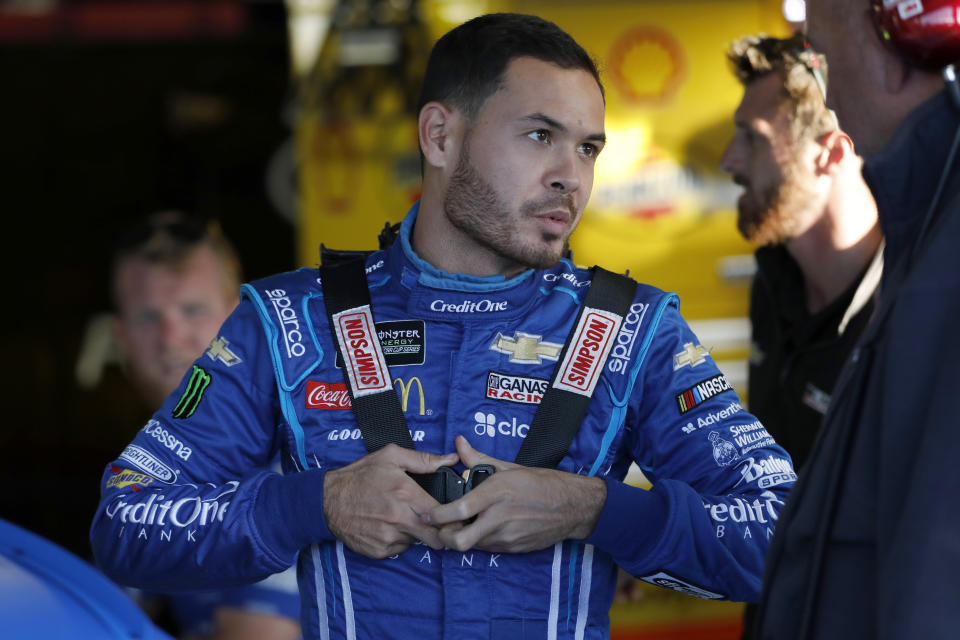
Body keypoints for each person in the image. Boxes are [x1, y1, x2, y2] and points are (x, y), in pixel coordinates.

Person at [91, 14, 796, 640]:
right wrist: (315, 504)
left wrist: (595, 510)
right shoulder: (289, 323)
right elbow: (125, 525)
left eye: (588, 149)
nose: (570, 178)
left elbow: (786, 537)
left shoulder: (635, 333)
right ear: (440, 136)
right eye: (540, 135)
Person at [753, 1, 960, 638]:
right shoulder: (922, 237)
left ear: (909, 36)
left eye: (820, 51)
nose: (828, 88)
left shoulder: (941, 265)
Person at [719, 33, 883, 638]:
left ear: (831, 154)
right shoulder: (774, 280)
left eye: (753, 139)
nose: (728, 162)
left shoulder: (911, 312)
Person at [110, 212, 301, 640]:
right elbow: (99, 611)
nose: (170, 337)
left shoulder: (296, 448)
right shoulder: (156, 458)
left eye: (193, 310)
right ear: (120, 338)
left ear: (244, 323)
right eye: (146, 318)